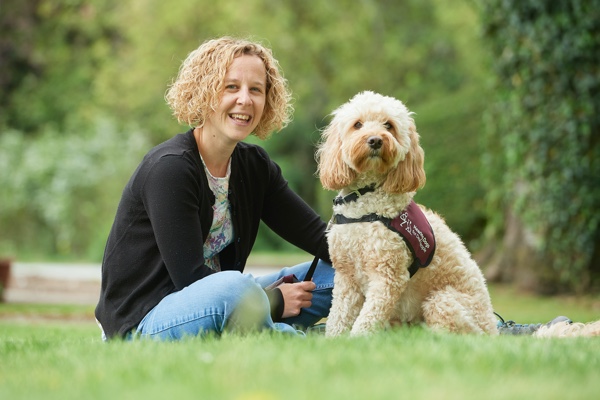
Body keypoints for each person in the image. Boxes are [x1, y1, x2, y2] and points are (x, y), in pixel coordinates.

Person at [95, 36, 333, 341]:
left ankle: (283, 326)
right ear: (206, 92)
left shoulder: (254, 166)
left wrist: (383, 241)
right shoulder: (171, 168)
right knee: (235, 289)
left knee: (345, 271)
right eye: (231, 87)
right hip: (144, 322)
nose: (245, 99)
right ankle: (307, 338)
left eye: (256, 90)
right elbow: (190, 279)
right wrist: (273, 301)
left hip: (226, 301)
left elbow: (318, 237)